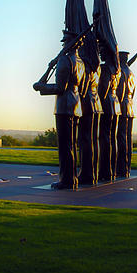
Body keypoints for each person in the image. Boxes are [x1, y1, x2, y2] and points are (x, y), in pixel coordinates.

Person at [33, 31, 85, 189]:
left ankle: (67, 179)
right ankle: (72, 178)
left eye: (64, 42)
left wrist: (41, 87)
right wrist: (50, 68)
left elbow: (59, 88)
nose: (62, 45)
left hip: (64, 106)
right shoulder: (80, 62)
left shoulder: (65, 60)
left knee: (65, 146)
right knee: (71, 145)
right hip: (76, 106)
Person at [97, 47, 121, 181]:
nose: (100, 53)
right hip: (115, 105)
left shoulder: (106, 69)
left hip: (106, 104)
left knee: (105, 139)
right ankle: (112, 170)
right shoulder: (116, 70)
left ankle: (105, 171)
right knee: (112, 139)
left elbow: (103, 90)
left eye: (102, 51)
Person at [77, 51, 102, 186]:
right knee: (92, 140)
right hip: (95, 103)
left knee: (84, 139)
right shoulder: (97, 67)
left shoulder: (87, 66)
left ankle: (87, 173)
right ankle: (93, 172)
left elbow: (83, 88)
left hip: (87, 103)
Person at [116, 50, 135, 177]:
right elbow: (133, 93)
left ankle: (122, 168)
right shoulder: (131, 73)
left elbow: (120, 92)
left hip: (122, 107)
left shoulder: (121, 72)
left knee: (121, 139)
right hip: (130, 107)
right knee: (128, 139)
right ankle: (126, 168)